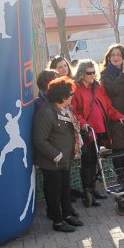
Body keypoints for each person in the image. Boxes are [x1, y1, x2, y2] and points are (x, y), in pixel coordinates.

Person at [33, 76, 84, 233]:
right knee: (54, 192)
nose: (72, 96)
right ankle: (57, 221)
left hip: (65, 160)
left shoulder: (64, 109)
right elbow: (39, 140)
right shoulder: (46, 113)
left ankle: (67, 216)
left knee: (65, 188)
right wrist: (57, 155)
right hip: (53, 162)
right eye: (70, 93)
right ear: (62, 97)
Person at [72, 60, 124, 206]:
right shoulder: (76, 89)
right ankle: (87, 192)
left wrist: (118, 116)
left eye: (94, 72)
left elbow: (108, 107)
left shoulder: (99, 88)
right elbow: (74, 111)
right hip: (87, 132)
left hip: (100, 130)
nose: (93, 75)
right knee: (87, 162)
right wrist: (84, 124)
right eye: (89, 73)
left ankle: (93, 189)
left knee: (95, 161)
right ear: (82, 74)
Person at [100, 44, 124, 182]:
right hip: (114, 117)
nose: (116, 57)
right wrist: (123, 75)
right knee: (118, 147)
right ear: (109, 58)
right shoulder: (105, 74)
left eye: (119, 55)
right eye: (113, 55)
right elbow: (112, 90)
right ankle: (120, 175)